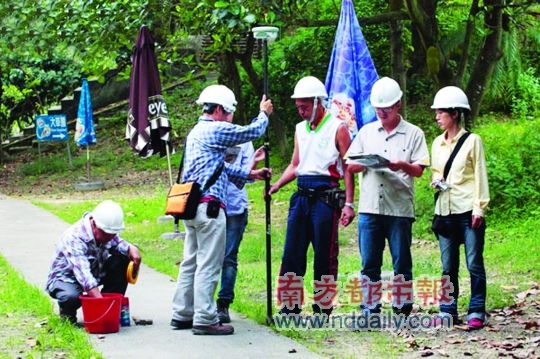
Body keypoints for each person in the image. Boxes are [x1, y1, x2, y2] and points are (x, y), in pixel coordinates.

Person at [170, 84, 273, 335]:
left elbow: (219, 170)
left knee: (190, 262)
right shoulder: (216, 129)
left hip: (192, 207)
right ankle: (205, 318)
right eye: (228, 113)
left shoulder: (196, 133)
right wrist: (264, 114)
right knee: (209, 263)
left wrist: (249, 174)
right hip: (210, 208)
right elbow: (251, 131)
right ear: (218, 110)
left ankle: (182, 313)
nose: (230, 119)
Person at [268, 76, 355, 318]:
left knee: (325, 253)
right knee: (292, 251)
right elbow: (295, 164)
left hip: (325, 194)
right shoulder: (299, 129)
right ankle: (289, 304)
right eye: (298, 107)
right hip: (302, 193)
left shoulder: (338, 127)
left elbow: (348, 166)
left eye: (305, 106)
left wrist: (349, 203)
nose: (301, 111)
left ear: (318, 102)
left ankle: (323, 305)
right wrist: (276, 185)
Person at [346, 77, 430, 317]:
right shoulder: (366, 132)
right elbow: (350, 165)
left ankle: (403, 307)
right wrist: (362, 164)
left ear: (398, 105)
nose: (381, 112)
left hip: (399, 208)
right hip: (370, 207)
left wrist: (400, 165)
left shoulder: (414, 134)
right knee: (369, 263)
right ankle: (369, 308)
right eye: (378, 108)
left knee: (401, 262)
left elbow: (419, 169)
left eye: (387, 108)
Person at [430, 86, 490, 330]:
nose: (436, 116)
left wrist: (479, 208)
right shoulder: (436, 143)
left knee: (473, 262)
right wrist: (435, 181)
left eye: (440, 112)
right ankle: (448, 309)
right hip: (444, 211)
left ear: (454, 113)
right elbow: (436, 172)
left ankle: (476, 309)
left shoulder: (473, 141)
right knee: (448, 265)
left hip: (467, 210)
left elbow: (480, 175)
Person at [45, 200, 142, 324]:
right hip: (66, 279)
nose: (109, 238)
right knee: (71, 297)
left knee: (122, 259)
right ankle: (68, 316)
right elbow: (84, 277)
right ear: (94, 224)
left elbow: (118, 243)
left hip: (95, 271)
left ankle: (112, 308)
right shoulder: (74, 238)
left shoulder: (106, 232)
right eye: (106, 234)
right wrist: (101, 304)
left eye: (113, 234)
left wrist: (131, 249)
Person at [216, 143, 265, 323]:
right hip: (211, 205)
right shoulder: (211, 134)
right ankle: (201, 303)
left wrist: (254, 163)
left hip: (235, 206)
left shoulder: (244, 142)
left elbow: (247, 177)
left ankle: (223, 303)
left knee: (229, 257)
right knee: (208, 256)